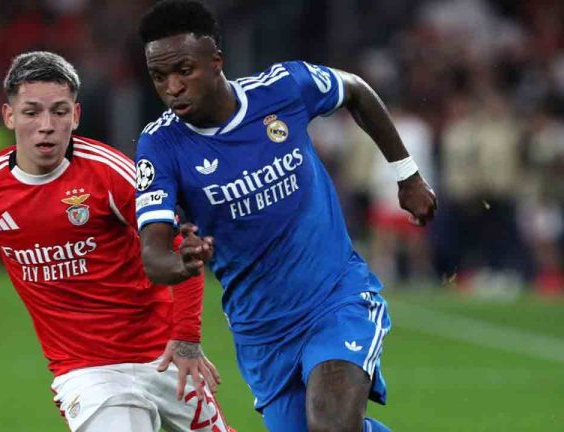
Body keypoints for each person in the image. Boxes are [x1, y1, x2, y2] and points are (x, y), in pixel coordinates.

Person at [134, 1, 437, 431]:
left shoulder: (282, 88)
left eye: (184, 69)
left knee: (331, 424)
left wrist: (406, 174)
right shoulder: (160, 145)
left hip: (335, 296)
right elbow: (154, 255)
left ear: (216, 61)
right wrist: (181, 262)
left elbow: (355, 90)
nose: (173, 87)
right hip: (262, 331)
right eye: (160, 77)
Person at [0, 51, 231, 432]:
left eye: (59, 112)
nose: (46, 126)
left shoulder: (112, 174)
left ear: (76, 116)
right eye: (32, 112)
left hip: (163, 358)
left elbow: (180, 249)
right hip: (85, 372)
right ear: (9, 116)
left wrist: (185, 339)